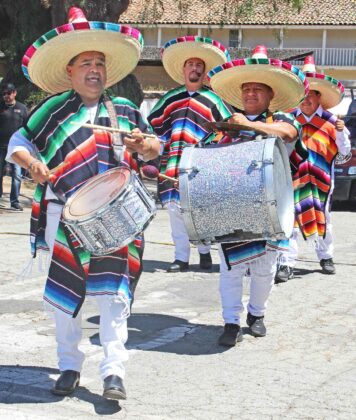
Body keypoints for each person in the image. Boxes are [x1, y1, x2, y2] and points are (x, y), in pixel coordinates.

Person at [6, 7, 160, 400]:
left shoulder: (124, 110)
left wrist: (145, 146)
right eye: (86, 63)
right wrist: (33, 164)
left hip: (116, 220)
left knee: (113, 297)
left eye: (100, 63)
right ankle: (69, 366)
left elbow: (155, 148)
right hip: (65, 216)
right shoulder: (51, 111)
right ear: (70, 71)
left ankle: (113, 372)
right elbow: (17, 144)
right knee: (64, 300)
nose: (95, 69)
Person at [205, 45, 309, 346]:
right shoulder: (225, 126)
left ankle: (257, 314)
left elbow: (288, 135)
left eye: (257, 89)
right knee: (231, 269)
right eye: (246, 89)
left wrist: (249, 125)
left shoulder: (284, 120)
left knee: (265, 270)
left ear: (269, 95)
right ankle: (230, 322)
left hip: (273, 207)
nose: (250, 94)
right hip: (233, 207)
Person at [148, 36, 233, 273]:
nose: (194, 68)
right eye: (190, 64)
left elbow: (225, 131)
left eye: (199, 65)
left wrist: (206, 147)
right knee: (176, 211)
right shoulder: (170, 99)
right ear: (183, 69)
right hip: (173, 162)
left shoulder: (214, 99)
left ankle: (205, 252)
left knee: (200, 210)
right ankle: (181, 257)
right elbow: (154, 128)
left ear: (204, 71)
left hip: (200, 165)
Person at [275, 56, 351, 282]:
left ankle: (326, 256)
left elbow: (344, 153)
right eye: (302, 96)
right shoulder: (288, 121)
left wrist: (339, 132)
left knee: (324, 218)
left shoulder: (331, 122)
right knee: (290, 219)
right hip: (293, 177)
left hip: (322, 180)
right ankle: (286, 263)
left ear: (318, 97)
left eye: (310, 95)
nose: (306, 100)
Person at [0, 82, 28, 210]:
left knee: (17, 175)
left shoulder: (22, 108)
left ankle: (15, 202)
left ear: (14, 93)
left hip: (16, 148)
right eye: (4, 93)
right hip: (1, 146)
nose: (6, 96)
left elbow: (27, 127)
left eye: (9, 93)